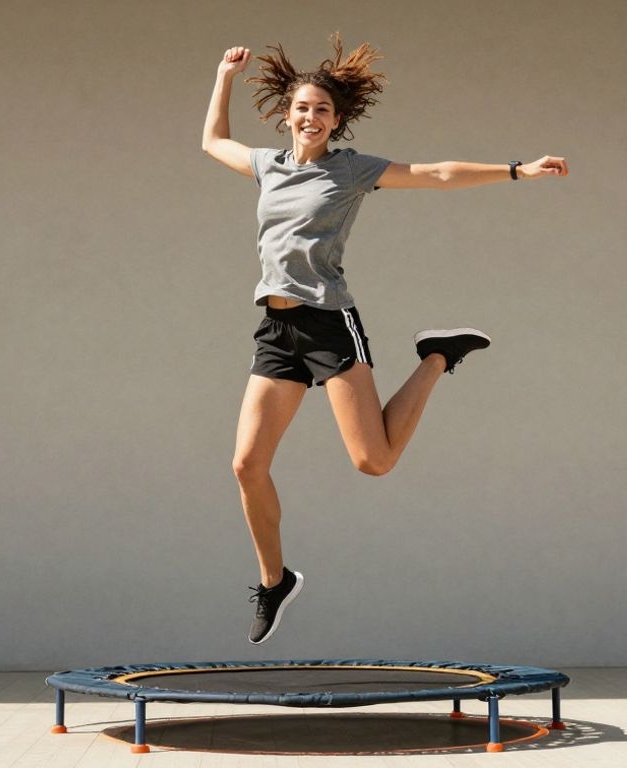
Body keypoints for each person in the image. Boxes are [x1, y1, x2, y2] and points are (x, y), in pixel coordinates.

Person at [200, 35, 568, 644]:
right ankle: (274, 582)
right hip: (277, 326)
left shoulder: (351, 170)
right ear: (287, 116)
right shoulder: (268, 166)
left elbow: (434, 173)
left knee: (375, 461)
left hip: (328, 322)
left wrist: (516, 170)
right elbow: (213, 142)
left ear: (336, 120)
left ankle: (438, 356)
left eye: (322, 110)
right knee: (246, 464)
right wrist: (223, 77)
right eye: (302, 109)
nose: (311, 117)